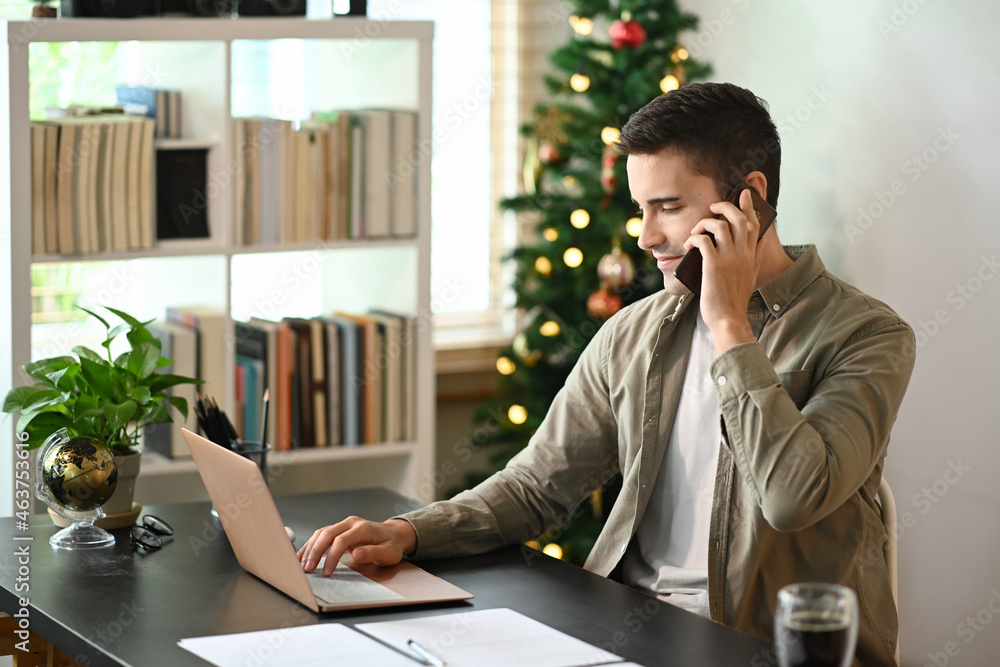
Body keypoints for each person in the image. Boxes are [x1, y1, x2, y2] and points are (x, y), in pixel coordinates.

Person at [297, 82, 914, 667]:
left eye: (667, 207)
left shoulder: (866, 336)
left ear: (748, 196)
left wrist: (729, 325)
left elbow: (792, 498)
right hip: (629, 634)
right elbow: (536, 487)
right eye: (640, 209)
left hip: (756, 648)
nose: (646, 237)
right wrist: (409, 531)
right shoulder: (634, 332)